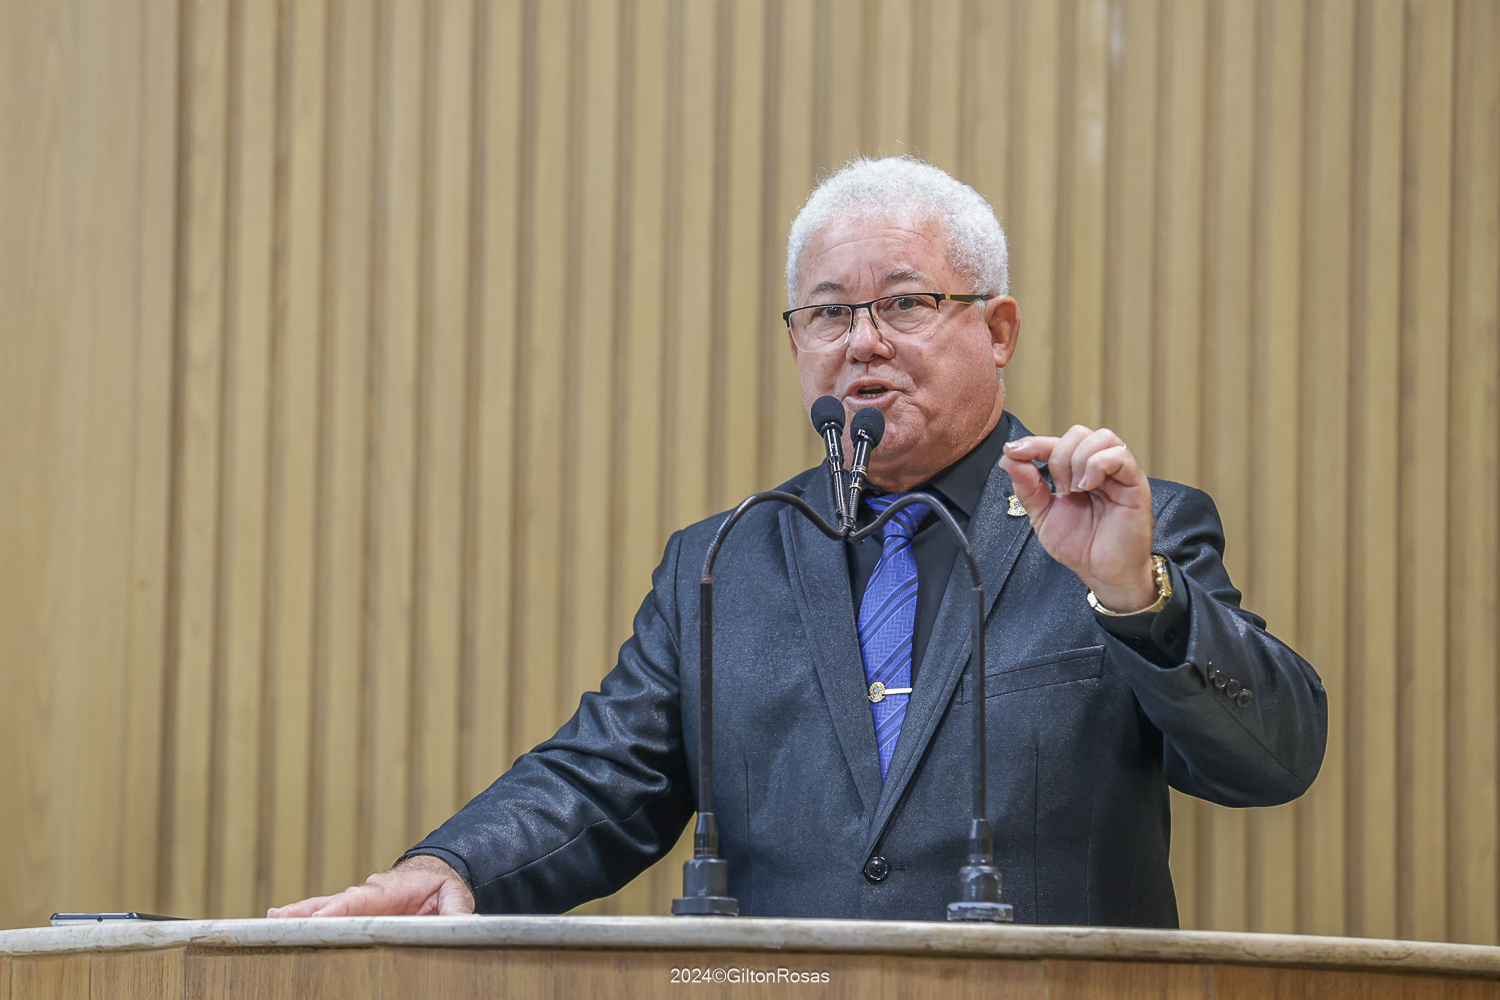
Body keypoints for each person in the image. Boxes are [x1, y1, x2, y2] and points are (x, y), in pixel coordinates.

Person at [270, 156, 1326, 925]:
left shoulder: (1119, 529)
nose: (863, 343)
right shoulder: (726, 563)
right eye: (827, 314)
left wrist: (1139, 596)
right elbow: (601, 777)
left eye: (905, 303)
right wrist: (453, 868)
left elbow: (1274, 758)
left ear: (997, 329)